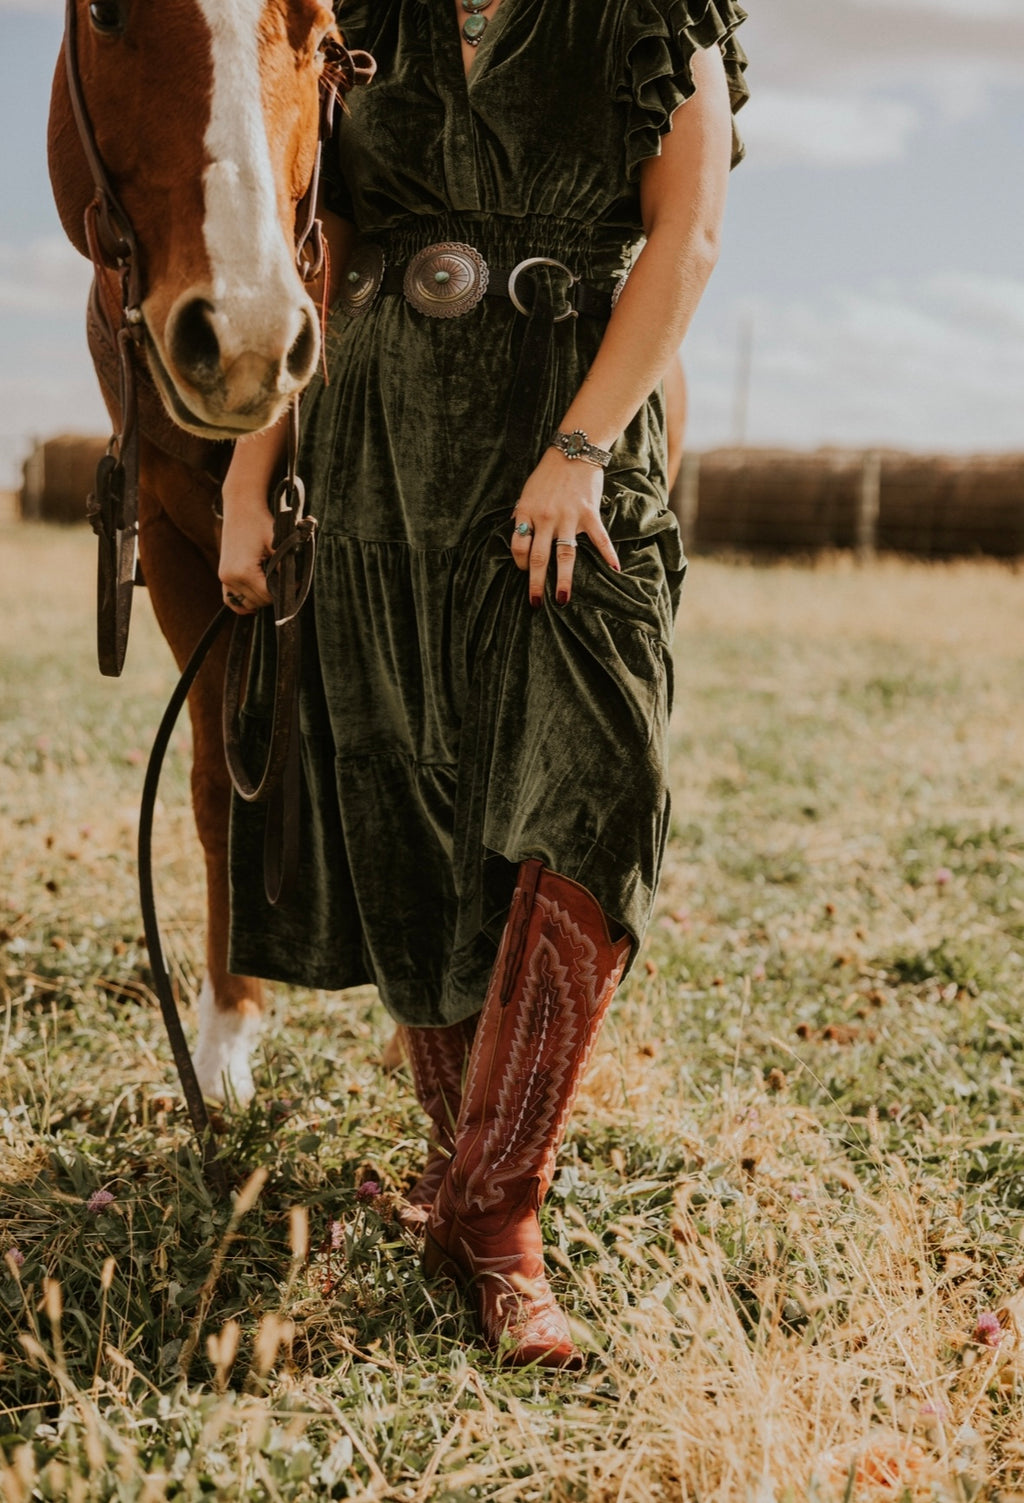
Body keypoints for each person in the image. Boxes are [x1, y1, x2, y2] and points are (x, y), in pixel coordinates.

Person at [218, 0, 747, 1369]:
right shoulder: (357, 18)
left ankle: (494, 1216)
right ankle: (475, 1201)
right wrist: (248, 472)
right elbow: (315, 248)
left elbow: (684, 234)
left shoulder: (650, 12)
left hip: (571, 430)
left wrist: (580, 446)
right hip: (375, 441)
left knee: (602, 784)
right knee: (408, 796)